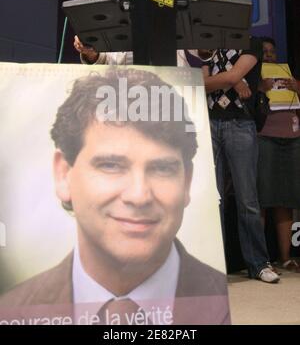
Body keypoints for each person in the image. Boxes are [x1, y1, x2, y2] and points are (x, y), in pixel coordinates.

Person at [0, 68, 230, 325]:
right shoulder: (11, 311)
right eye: (110, 165)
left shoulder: (218, 300)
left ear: (186, 181)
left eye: (162, 168)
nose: (139, 195)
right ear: (64, 174)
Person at [202, 37, 280, 283]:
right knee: (214, 200)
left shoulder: (252, 42)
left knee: (247, 198)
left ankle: (258, 263)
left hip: (241, 122)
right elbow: (202, 82)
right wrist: (234, 80)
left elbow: (224, 77)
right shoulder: (206, 43)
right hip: (209, 122)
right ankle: (214, 265)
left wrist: (232, 78)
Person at [257, 37, 300, 273]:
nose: (269, 55)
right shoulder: (255, 77)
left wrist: (297, 87)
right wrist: (260, 88)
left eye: (272, 51)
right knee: (263, 197)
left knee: (286, 199)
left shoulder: (288, 73)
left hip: (292, 139)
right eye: (264, 51)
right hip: (264, 137)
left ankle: (285, 257)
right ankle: (260, 260)